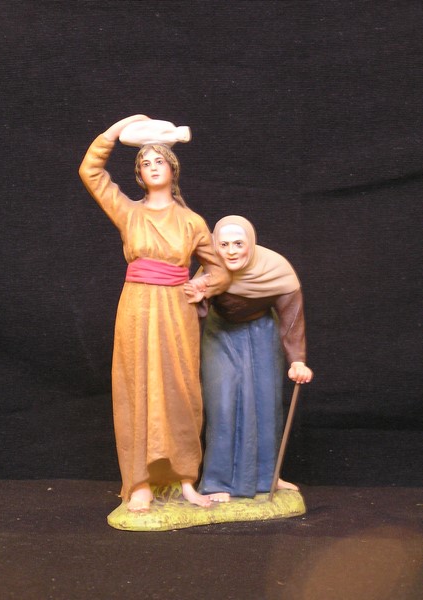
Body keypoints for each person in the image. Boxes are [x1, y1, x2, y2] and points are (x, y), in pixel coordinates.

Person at [78, 115, 230, 512]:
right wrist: (115, 132)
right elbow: (90, 172)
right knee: (136, 384)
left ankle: (185, 479)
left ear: (172, 168)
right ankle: (140, 481)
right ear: (139, 176)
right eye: (145, 163)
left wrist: (201, 285)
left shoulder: (192, 221)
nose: (153, 167)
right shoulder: (128, 212)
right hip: (137, 306)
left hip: (176, 310)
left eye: (159, 160)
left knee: (181, 387)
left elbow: (219, 270)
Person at [185, 215, 313, 502]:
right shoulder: (210, 271)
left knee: (266, 404)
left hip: (262, 334)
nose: (231, 251)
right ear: (215, 246)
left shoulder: (276, 269)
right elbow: (194, 314)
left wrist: (297, 360)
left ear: (250, 244)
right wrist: (196, 298)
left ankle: (268, 477)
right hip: (220, 334)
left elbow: (292, 317)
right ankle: (217, 481)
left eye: (238, 244)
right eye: (224, 244)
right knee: (221, 403)